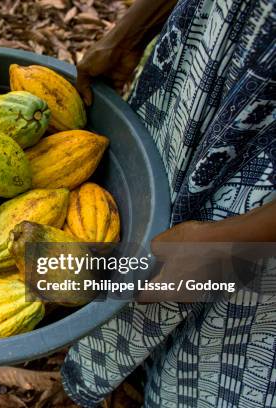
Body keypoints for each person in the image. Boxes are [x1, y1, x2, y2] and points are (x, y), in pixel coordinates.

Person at [66, 0, 275, 406]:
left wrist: (237, 240)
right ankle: (114, 370)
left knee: (225, 325)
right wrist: (133, 30)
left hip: (262, 185)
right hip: (205, 64)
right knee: (129, 242)